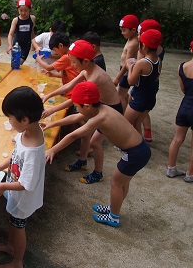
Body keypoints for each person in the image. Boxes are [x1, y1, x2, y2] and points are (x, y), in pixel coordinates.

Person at [45, 82, 151, 227]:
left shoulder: (100, 118)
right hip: (138, 150)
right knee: (122, 183)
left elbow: (74, 135)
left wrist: (53, 149)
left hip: (135, 154)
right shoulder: (102, 109)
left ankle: (113, 216)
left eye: (77, 106)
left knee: (116, 182)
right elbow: (74, 118)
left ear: (87, 106)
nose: (76, 109)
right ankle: (114, 208)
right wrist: (51, 124)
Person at [42, 40, 122, 184]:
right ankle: (82, 161)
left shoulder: (94, 78)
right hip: (99, 105)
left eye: (73, 62)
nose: (72, 66)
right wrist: (48, 96)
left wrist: (53, 109)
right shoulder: (86, 70)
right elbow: (69, 87)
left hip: (110, 109)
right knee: (85, 135)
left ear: (85, 61)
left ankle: (98, 173)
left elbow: (75, 100)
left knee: (95, 141)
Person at [0, 86, 45, 268]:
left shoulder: (34, 150)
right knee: (11, 220)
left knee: (18, 227)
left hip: (23, 197)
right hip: (14, 190)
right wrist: (0, 167)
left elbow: (25, 184)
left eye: (10, 117)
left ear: (24, 119)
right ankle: (11, 247)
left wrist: (2, 186)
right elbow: (15, 156)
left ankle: (17, 262)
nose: (9, 121)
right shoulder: (25, 132)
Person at [124, 29, 162, 134]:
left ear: (144, 46)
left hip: (139, 98)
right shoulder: (158, 60)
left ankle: (129, 146)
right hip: (150, 98)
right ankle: (140, 146)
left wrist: (130, 67)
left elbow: (131, 81)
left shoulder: (142, 63)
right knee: (137, 123)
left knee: (125, 123)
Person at [167, 40, 193, 182]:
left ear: (191, 50)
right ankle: (190, 174)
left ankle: (171, 168)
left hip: (185, 106)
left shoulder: (182, 67)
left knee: (177, 139)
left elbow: (183, 89)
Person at [137, 19, 165, 142]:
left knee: (134, 115)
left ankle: (137, 140)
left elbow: (137, 67)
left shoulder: (145, 52)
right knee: (144, 109)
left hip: (143, 84)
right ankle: (147, 132)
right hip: (153, 83)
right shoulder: (160, 49)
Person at [36, 32, 80, 98]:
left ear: (61, 46)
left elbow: (48, 67)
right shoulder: (70, 55)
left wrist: (39, 59)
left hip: (73, 92)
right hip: (70, 89)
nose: (56, 53)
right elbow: (67, 75)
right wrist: (53, 74)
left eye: (55, 50)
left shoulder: (66, 57)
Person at [112, 15, 139, 112]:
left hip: (126, 71)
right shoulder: (130, 39)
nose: (122, 33)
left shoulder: (133, 43)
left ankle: (122, 116)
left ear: (133, 30)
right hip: (124, 70)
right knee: (123, 93)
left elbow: (128, 64)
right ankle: (128, 109)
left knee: (120, 95)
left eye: (124, 30)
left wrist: (117, 78)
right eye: (121, 30)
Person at [6, 0, 37, 65]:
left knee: (19, 63)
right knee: (15, 63)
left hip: (26, 45)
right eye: (21, 10)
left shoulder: (32, 18)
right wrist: (10, 45)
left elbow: (31, 31)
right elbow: (10, 34)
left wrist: (34, 44)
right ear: (18, 10)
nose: (23, 13)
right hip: (16, 45)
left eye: (25, 10)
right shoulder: (16, 20)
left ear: (29, 9)